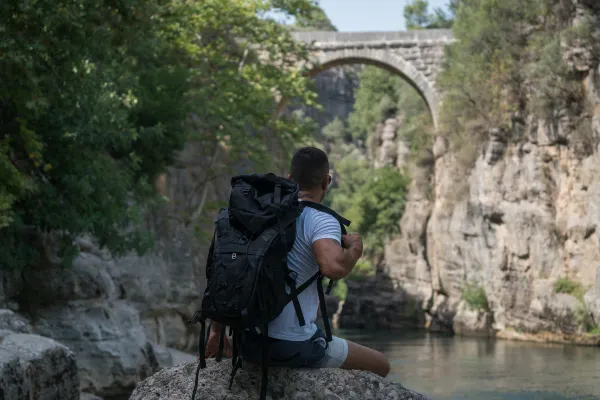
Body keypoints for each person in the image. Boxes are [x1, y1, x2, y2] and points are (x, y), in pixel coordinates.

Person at [204, 146, 390, 378]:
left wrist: (216, 332)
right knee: (382, 365)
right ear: (326, 181)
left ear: (290, 178)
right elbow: (334, 267)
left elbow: (232, 269)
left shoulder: (261, 215)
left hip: (248, 342)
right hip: (291, 346)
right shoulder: (322, 220)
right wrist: (355, 250)